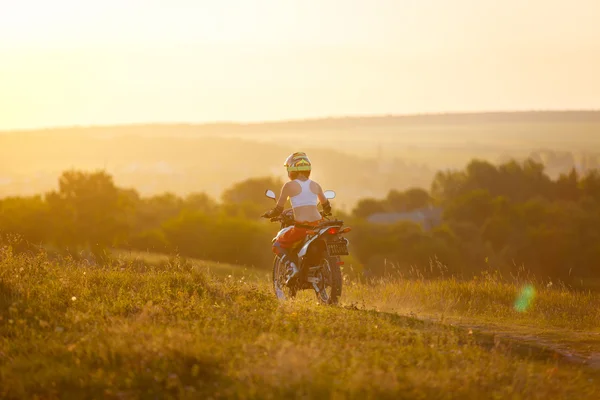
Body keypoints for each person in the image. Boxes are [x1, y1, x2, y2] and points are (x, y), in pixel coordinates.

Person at [262, 152, 332, 284]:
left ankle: (292, 267)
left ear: (291, 169)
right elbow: (327, 206)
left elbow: (279, 209)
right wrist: (325, 211)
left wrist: (269, 214)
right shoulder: (316, 185)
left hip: (302, 228)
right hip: (318, 225)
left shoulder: (289, 186)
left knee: (277, 244)